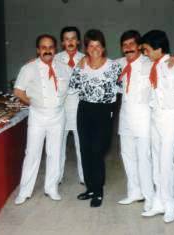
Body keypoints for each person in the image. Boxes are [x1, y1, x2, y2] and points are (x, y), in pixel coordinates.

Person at [14, 34, 70, 205]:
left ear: (55, 49)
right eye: (43, 47)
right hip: (37, 115)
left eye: (50, 47)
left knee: (55, 152)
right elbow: (18, 91)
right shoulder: (28, 68)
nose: (47, 50)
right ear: (38, 50)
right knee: (32, 153)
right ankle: (24, 191)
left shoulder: (64, 68)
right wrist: (34, 103)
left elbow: (74, 85)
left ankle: (51, 188)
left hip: (58, 115)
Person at [141, 30, 174, 223]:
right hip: (156, 117)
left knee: (166, 163)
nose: (144, 53)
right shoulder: (154, 65)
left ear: (158, 49)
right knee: (155, 160)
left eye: (146, 49)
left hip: (171, 118)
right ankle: (159, 203)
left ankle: (170, 204)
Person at [69, 29, 122, 207]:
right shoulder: (81, 65)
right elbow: (71, 87)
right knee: (85, 150)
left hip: (104, 111)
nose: (95, 49)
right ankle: (90, 188)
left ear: (104, 47)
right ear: (86, 48)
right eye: (91, 46)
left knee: (98, 150)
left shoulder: (114, 66)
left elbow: (122, 88)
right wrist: (78, 66)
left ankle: (98, 191)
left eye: (98, 45)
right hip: (84, 109)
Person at [115, 30, 154, 212]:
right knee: (127, 156)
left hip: (144, 118)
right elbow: (96, 65)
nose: (128, 48)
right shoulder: (119, 64)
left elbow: (167, 61)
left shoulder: (149, 63)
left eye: (132, 44)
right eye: (125, 45)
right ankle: (134, 192)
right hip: (125, 118)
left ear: (139, 46)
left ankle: (149, 197)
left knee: (144, 159)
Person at [54, 26, 85, 185]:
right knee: (58, 145)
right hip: (62, 108)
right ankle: (56, 177)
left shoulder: (86, 58)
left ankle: (84, 177)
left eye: (73, 38)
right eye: (67, 39)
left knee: (83, 146)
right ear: (62, 42)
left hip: (81, 108)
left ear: (78, 41)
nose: (70, 42)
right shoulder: (55, 59)